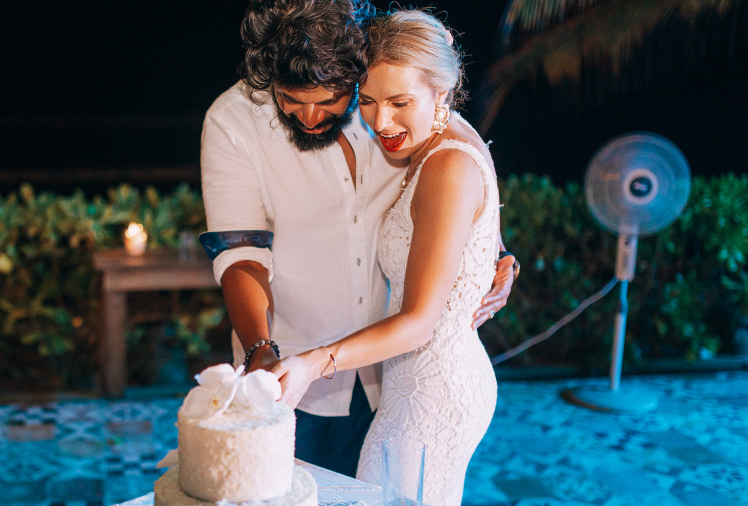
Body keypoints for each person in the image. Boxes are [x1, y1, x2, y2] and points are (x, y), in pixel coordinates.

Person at [199, 0, 516, 478]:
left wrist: (495, 250)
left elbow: (460, 169)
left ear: (354, 67)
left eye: (329, 101)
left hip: (387, 372)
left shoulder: (384, 98)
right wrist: (262, 348)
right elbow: (241, 256)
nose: (308, 117)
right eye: (289, 100)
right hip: (290, 375)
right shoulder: (232, 120)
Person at [270, 8, 503, 504]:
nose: (382, 121)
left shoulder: (448, 166)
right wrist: (503, 258)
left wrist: (315, 362)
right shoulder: (450, 136)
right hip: (414, 381)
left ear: (440, 91)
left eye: (401, 102)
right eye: (370, 101)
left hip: (432, 395)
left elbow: (419, 321)